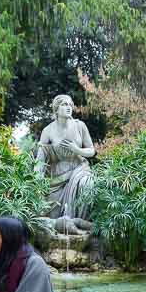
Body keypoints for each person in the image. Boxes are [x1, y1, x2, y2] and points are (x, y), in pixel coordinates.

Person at [35, 94, 96, 230]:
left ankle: (81, 224)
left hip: (79, 169)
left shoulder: (80, 126)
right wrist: (37, 179)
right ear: (56, 109)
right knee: (54, 215)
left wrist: (77, 150)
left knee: (88, 184)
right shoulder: (48, 130)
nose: (68, 107)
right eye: (64, 104)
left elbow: (91, 151)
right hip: (57, 176)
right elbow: (41, 157)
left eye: (70, 104)